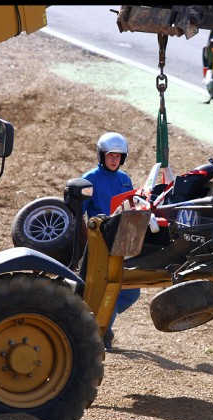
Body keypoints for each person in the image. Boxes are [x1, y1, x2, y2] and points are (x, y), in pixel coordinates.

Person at [81, 132, 141, 351]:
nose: (114, 160)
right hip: (99, 244)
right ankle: (101, 333)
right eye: (110, 155)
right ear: (101, 155)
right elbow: (78, 214)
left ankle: (103, 324)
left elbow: (131, 210)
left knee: (131, 291)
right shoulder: (89, 179)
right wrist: (86, 244)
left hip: (121, 244)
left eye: (118, 156)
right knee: (102, 289)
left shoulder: (125, 180)